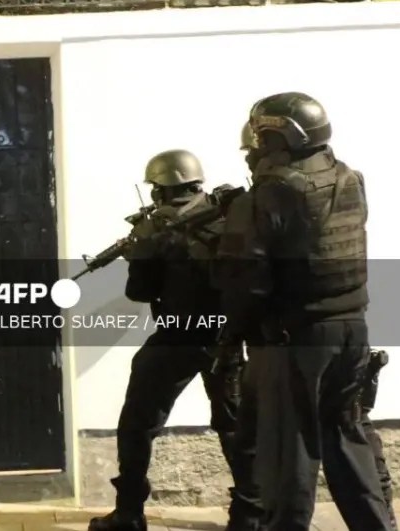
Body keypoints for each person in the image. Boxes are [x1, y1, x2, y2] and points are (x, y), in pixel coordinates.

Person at [215, 93, 392, 531]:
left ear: (277, 135)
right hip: (352, 331)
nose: (255, 148)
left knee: (288, 458)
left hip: (295, 340)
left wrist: (229, 338)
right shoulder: (351, 178)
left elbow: (247, 283)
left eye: (260, 137)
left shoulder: (267, 196)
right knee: (348, 442)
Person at [88, 150, 260, 531]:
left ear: (160, 189)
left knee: (137, 423)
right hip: (225, 337)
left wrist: (142, 254)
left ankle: (129, 512)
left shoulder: (159, 228)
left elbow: (139, 292)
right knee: (235, 427)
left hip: (177, 337)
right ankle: (250, 515)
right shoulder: (227, 214)